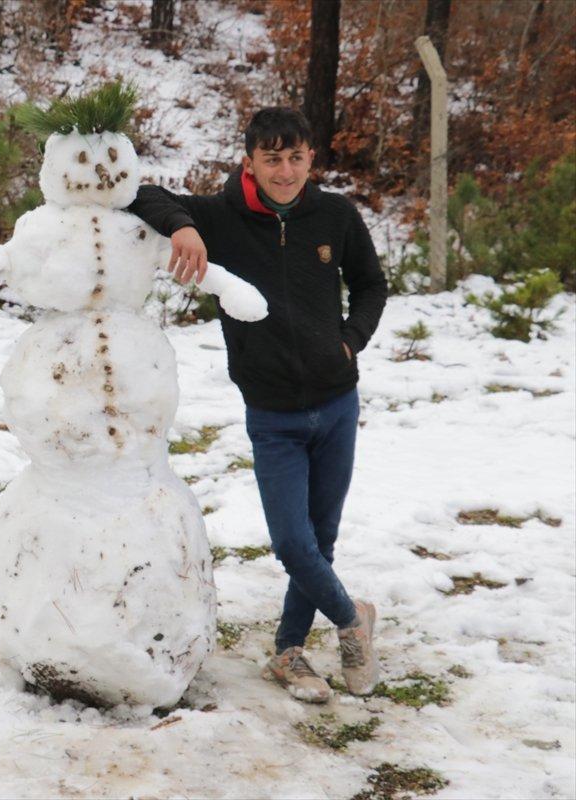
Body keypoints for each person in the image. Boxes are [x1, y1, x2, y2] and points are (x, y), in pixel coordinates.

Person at [128, 107, 386, 704]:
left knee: (320, 540)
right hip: (273, 415)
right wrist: (184, 229)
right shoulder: (221, 218)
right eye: (272, 158)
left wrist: (351, 341)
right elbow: (143, 194)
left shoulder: (335, 215)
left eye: (296, 157)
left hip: (338, 403)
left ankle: (288, 652)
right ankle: (353, 621)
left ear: (310, 159)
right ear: (249, 162)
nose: (286, 170)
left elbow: (372, 284)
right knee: (292, 542)